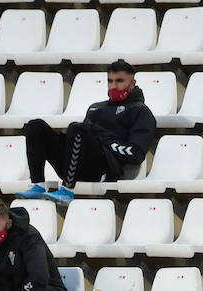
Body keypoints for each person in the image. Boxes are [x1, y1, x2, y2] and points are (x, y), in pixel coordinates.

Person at [18, 59, 156, 206]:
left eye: (119, 81)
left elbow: (136, 154)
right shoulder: (96, 108)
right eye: (110, 81)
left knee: (76, 128)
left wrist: (105, 140)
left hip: (105, 168)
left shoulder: (140, 111)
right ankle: (38, 185)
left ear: (132, 83)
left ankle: (66, 190)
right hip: (77, 164)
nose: (114, 86)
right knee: (35, 126)